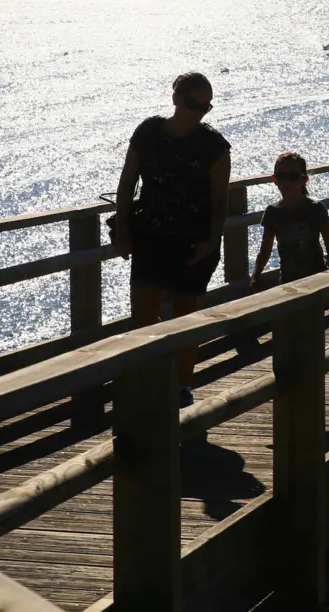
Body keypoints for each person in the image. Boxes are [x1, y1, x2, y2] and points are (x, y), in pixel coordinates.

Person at [113, 72, 230, 408]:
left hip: (193, 244)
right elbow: (126, 184)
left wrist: (211, 241)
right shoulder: (148, 132)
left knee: (186, 318)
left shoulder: (216, 147)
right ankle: (153, 379)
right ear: (175, 97)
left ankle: (182, 386)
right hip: (150, 237)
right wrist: (122, 230)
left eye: (206, 106)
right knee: (143, 317)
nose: (200, 112)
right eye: (194, 104)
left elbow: (220, 202)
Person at [250, 152, 329, 288]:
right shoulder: (272, 212)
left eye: (293, 176)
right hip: (288, 281)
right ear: (275, 179)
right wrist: (255, 276)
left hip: (318, 279)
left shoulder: (316, 209)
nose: (287, 181)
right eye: (281, 176)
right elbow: (265, 249)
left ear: (304, 180)